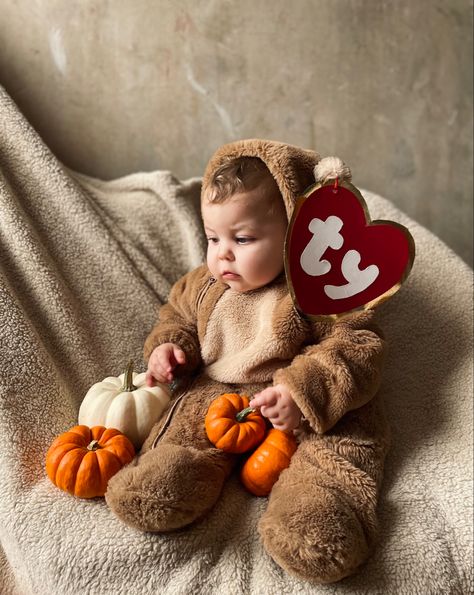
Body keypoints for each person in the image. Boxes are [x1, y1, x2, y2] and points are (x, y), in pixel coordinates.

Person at [106, 139, 390, 584]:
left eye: (243, 238)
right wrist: (169, 347)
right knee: (188, 418)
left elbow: (354, 347)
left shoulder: (318, 290)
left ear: (296, 232)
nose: (222, 253)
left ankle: (321, 508)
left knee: (346, 437)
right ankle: (176, 474)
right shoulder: (205, 283)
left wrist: (303, 390)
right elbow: (178, 315)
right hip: (224, 392)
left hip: (302, 401)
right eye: (212, 237)